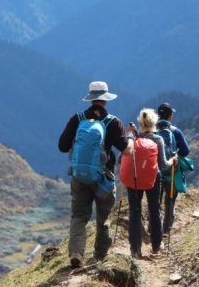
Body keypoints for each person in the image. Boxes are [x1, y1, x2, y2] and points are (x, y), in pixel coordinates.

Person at [58, 81, 134, 268]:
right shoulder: (113, 122)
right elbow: (127, 152)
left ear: (91, 99)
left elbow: (62, 147)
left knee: (79, 217)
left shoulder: (77, 119)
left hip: (80, 176)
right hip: (103, 178)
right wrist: (130, 136)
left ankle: (76, 252)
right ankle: (99, 256)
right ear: (105, 100)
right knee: (103, 218)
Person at [125, 109, 177, 258]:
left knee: (134, 211)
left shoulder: (133, 139)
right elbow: (162, 165)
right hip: (153, 179)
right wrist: (172, 161)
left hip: (134, 179)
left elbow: (122, 158)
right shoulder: (157, 139)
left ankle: (135, 249)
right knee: (154, 210)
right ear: (154, 123)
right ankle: (156, 246)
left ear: (140, 123)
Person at [156, 103, 190, 234]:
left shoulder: (152, 131)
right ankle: (166, 229)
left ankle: (154, 228)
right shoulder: (175, 131)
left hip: (156, 172)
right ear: (170, 115)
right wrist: (175, 155)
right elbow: (186, 151)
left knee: (156, 201)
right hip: (171, 171)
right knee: (170, 200)